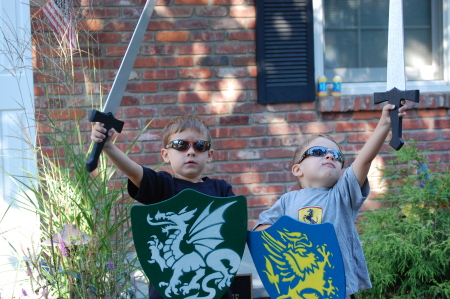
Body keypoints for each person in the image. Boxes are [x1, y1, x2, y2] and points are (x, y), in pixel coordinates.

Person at [254, 101, 408, 298]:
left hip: (336, 289)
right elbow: (261, 231)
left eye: (337, 155)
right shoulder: (287, 201)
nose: (329, 156)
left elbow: (364, 160)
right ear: (297, 170)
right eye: (318, 152)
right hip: (298, 287)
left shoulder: (342, 195)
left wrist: (385, 123)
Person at [91, 114, 234, 299]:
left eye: (200, 146)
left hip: (214, 291)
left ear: (209, 155)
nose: (190, 151)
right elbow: (133, 170)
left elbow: (233, 233)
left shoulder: (221, 189)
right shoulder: (162, 186)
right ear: (165, 154)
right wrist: (108, 145)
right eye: (180, 145)